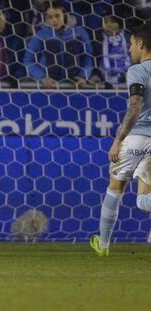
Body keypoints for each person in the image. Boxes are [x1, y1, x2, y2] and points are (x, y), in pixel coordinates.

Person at [90, 23, 151, 256]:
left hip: (136, 139)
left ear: (141, 44)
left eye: (131, 44)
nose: (129, 49)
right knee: (143, 200)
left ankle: (103, 246)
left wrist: (118, 140)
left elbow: (135, 107)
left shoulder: (137, 71)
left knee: (115, 188)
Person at [23, 1, 93, 88]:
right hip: (50, 85)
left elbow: (88, 57)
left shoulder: (80, 32)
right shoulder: (41, 34)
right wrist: (42, 77)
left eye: (57, 16)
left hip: (74, 85)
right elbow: (28, 60)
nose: (54, 20)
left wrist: (83, 76)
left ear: (65, 15)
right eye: (50, 17)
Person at [90, 14, 130, 87]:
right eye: (105, 22)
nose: (109, 24)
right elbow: (94, 58)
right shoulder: (98, 39)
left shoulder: (128, 37)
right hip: (104, 77)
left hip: (128, 75)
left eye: (112, 21)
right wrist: (95, 74)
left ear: (119, 22)